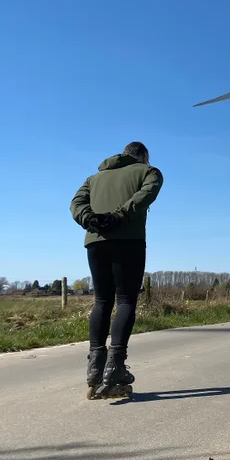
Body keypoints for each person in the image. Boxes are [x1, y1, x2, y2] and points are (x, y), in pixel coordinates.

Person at [70, 141, 164, 399]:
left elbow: (76, 203)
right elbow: (147, 193)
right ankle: (115, 367)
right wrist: (119, 215)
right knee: (125, 300)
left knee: (102, 300)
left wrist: (90, 218)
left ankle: (95, 366)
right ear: (143, 156)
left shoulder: (93, 178)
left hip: (95, 242)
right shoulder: (149, 171)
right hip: (129, 241)